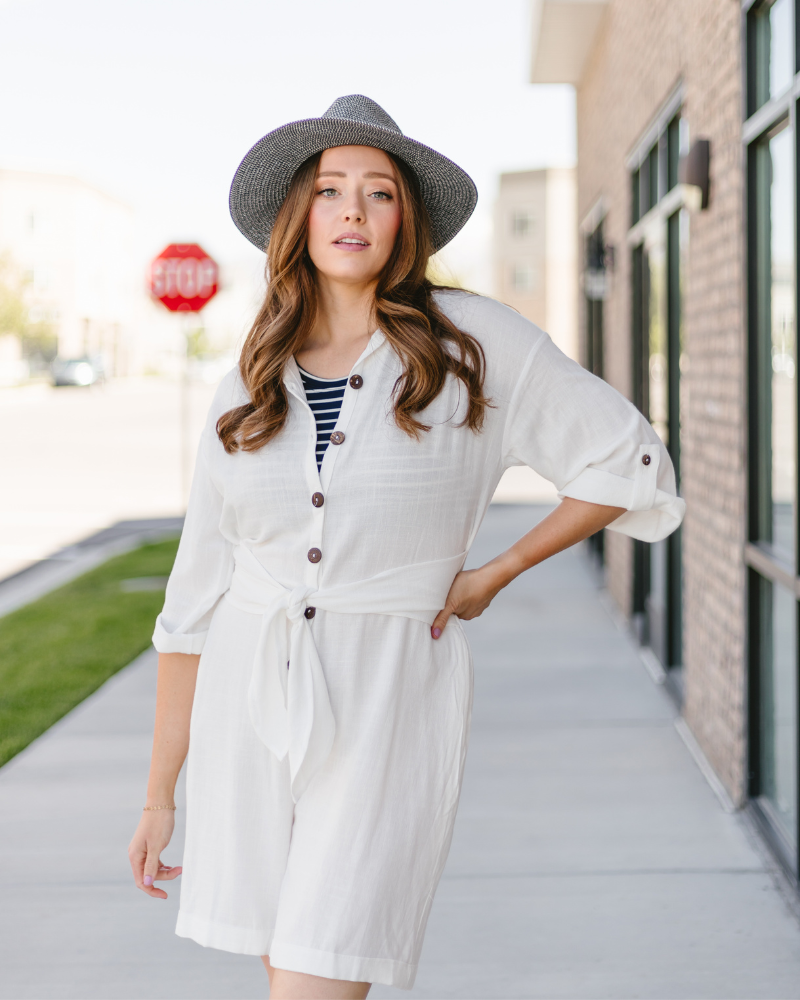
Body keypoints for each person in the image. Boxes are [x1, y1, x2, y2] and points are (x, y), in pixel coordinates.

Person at [128, 95, 685, 999]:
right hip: (251, 703)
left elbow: (626, 460)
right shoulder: (250, 376)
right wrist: (160, 795)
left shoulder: (474, 343)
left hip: (389, 704)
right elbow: (191, 605)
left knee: (318, 977)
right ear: (297, 217)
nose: (353, 211)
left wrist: (497, 572)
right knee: (291, 972)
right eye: (330, 190)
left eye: (378, 193)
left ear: (405, 220)